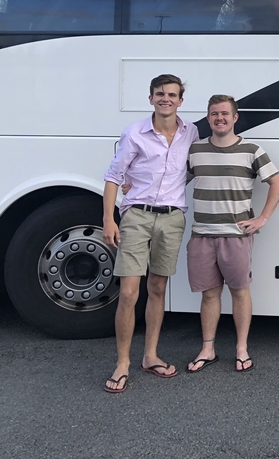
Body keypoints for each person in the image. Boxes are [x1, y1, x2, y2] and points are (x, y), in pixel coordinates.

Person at [101, 74, 200, 393]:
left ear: (181, 101)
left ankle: (150, 356)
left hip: (172, 219)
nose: (166, 99)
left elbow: (190, 169)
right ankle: (122, 363)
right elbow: (114, 177)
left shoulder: (191, 132)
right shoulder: (135, 133)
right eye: (160, 94)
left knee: (157, 288)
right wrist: (109, 220)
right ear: (151, 98)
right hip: (137, 216)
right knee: (129, 292)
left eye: (172, 94)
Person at [185, 94, 279, 374]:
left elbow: (277, 182)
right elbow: (171, 180)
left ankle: (241, 349)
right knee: (209, 295)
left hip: (236, 236)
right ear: (208, 118)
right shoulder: (194, 151)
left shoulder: (252, 150)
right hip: (202, 235)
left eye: (225, 114)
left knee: (240, 292)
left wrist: (262, 218)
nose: (220, 118)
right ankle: (208, 349)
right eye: (214, 114)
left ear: (235, 117)